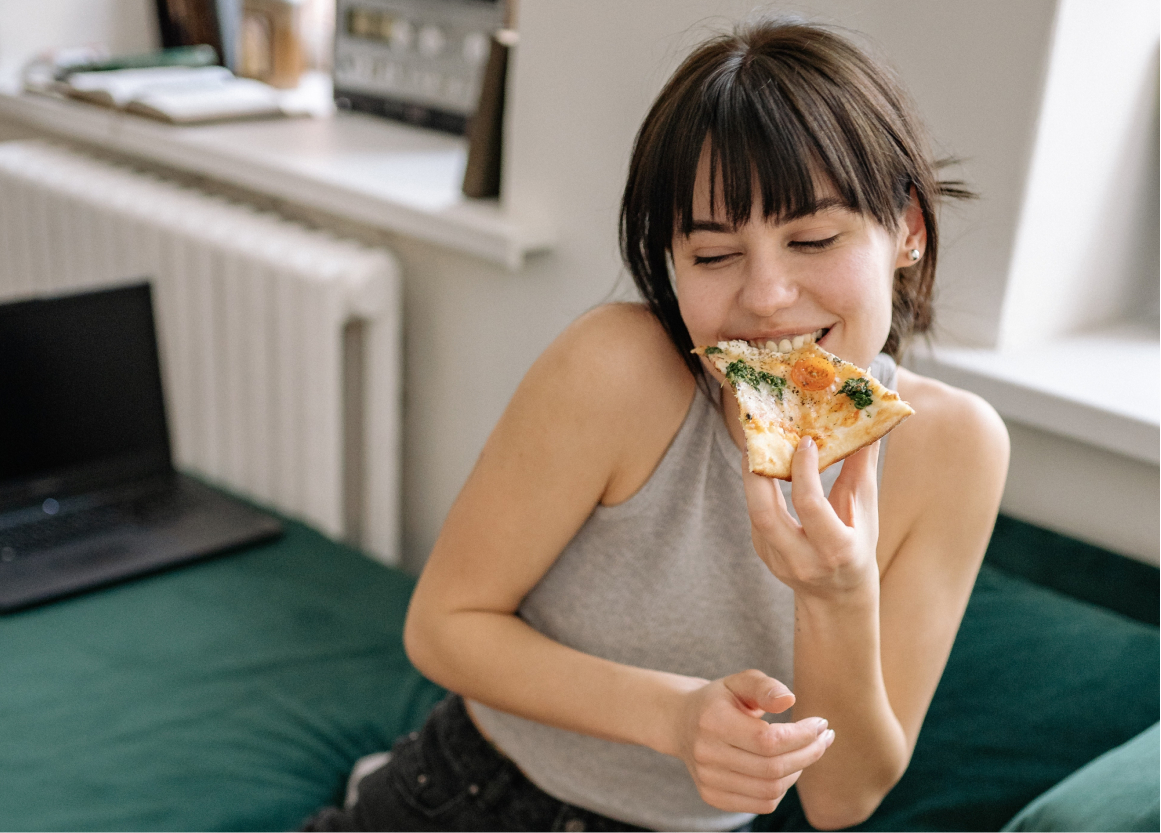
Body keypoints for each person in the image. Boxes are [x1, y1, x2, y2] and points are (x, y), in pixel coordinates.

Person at [303, 17, 1008, 833]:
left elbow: (841, 797)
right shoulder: (617, 368)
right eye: (713, 256)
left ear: (908, 231)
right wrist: (673, 717)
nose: (767, 296)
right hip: (471, 799)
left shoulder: (955, 448)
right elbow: (443, 626)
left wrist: (836, 593)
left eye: (812, 238)